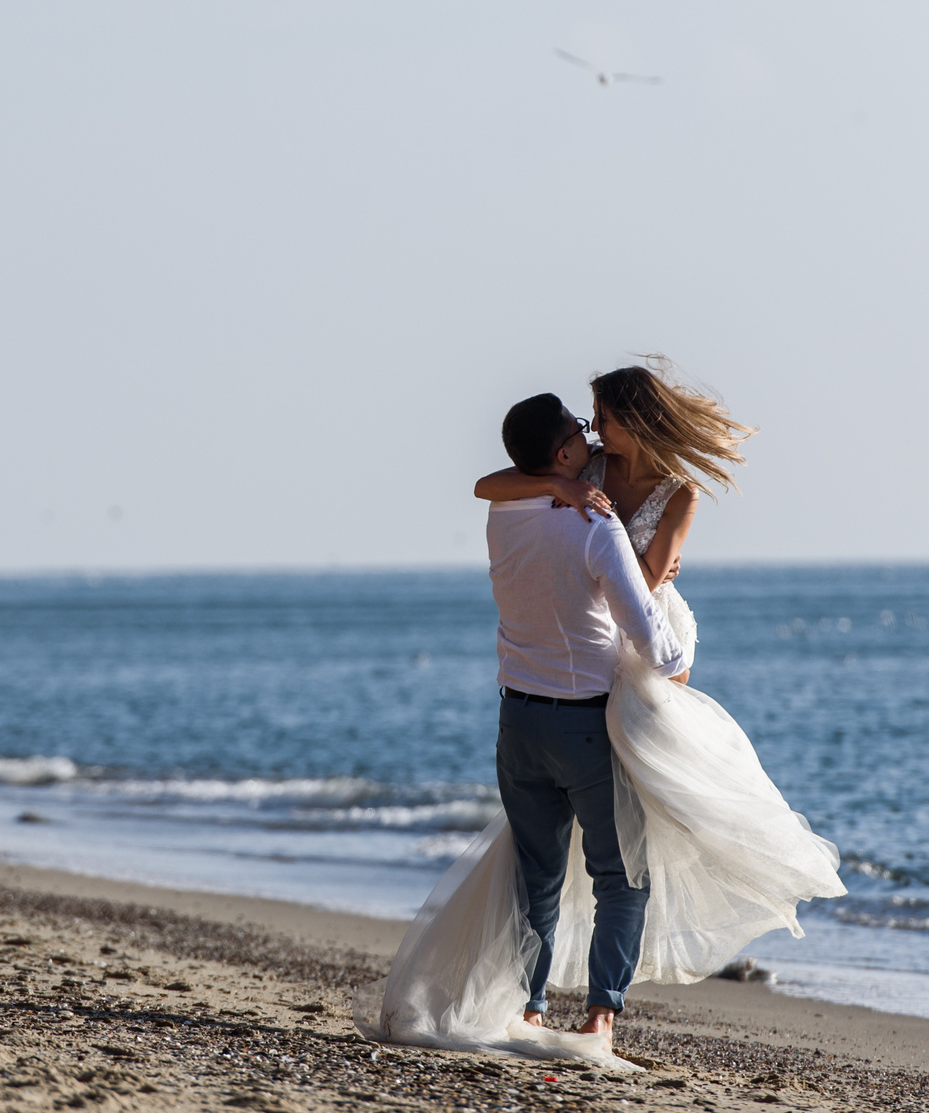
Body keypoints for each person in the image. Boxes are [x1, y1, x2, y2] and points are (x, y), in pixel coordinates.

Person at [356, 362, 848, 1071]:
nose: (594, 430)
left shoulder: (670, 494)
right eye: (588, 422)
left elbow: (643, 577)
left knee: (574, 861)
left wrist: (620, 551)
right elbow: (503, 491)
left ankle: (565, 1007)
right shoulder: (585, 479)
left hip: (600, 662)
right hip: (596, 665)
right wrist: (564, 491)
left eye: (603, 417)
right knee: (611, 870)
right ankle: (583, 1015)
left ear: (635, 421)